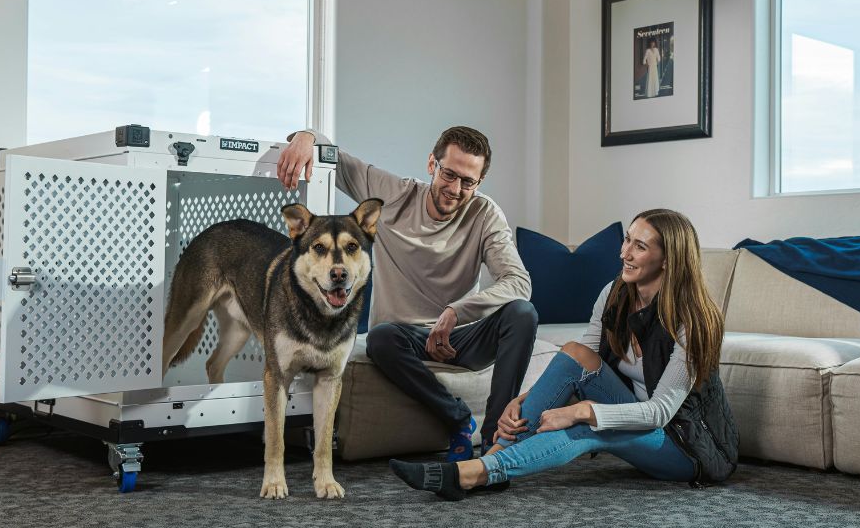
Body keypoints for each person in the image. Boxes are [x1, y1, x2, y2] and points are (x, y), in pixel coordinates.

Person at [389, 209, 738, 500]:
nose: (624, 253)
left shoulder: (694, 320)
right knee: (574, 352)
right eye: (627, 239)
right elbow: (577, 363)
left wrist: (581, 411)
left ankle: (476, 473)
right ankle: (487, 465)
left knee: (589, 427)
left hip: (684, 445)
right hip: (632, 415)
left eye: (640, 246)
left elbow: (659, 412)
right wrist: (527, 399)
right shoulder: (615, 293)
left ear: (667, 260)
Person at [277, 127, 537, 462]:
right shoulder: (395, 195)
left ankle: (494, 441)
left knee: (522, 314)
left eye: (468, 182)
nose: (455, 190)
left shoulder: (484, 214)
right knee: (380, 338)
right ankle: (458, 418)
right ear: (432, 164)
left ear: (479, 182)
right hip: (405, 339)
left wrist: (457, 312)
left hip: (459, 337)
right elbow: (339, 163)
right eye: (449, 174)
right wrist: (306, 137)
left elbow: (518, 281)